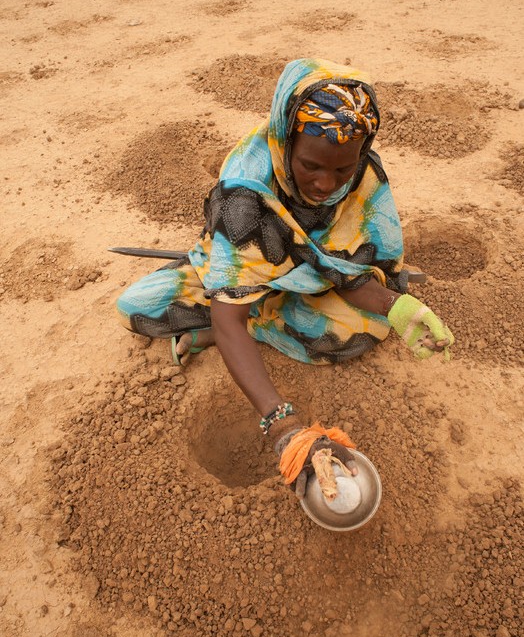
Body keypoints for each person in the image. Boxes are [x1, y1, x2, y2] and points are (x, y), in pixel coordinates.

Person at [116, 58, 453, 497]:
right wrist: (285, 426)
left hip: (313, 278)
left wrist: (400, 306)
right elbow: (231, 312)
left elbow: (348, 268)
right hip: (242, 265)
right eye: (311, 165)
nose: (325, 184)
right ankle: (235, 321)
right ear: (285, 139)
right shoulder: (244, 195)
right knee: (138, 307)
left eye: (341, 169)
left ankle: (240, 323)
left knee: (362, 329)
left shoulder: (364, 176)